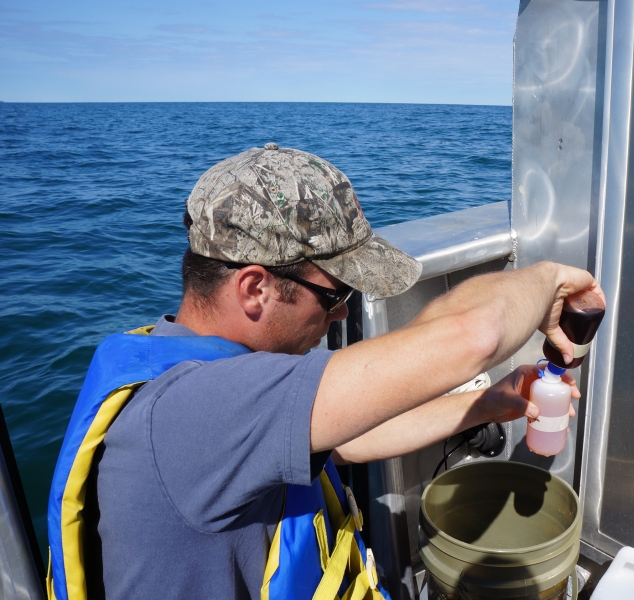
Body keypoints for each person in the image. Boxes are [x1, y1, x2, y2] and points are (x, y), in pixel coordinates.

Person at [47, 144, 604, 600]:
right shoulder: (198, 412)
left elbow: (353, 440)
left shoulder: (223, 370)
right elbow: (473, 337)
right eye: (334, 294)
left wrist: (488, 403)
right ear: (255, 288)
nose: (343, 315)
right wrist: (551, 278)